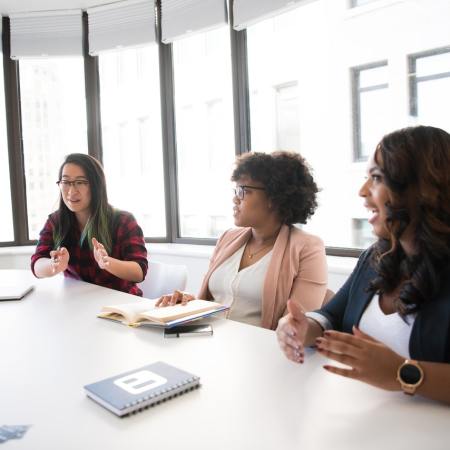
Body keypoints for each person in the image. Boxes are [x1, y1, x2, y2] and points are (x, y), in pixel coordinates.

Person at [276, 126, 450, 404]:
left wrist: (401, 373)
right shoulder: (375, 257)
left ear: (425, 189)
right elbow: (331, 315)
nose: (362, 191)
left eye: (377, 178)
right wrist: (303, 327)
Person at [157, 151, 328, 330]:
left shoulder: (307, 248)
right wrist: (189, 303)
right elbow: (214, 300)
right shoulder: (228, 238)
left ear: (274, 198)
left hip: (259, 351)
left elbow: (296, 327)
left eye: (243, 191)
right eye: (235, 190)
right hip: (208, 341)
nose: (235, 199)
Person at [31, 153, 148, 296]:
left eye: (80, 182)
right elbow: (37, 264)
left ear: (96, 186)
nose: (71, 191)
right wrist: (53, 265)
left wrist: (107, 262)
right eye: (66, 182)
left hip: (119, 307)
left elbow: (139, 272)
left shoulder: (123, 221)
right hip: (78, 304)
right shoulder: (56, 221)